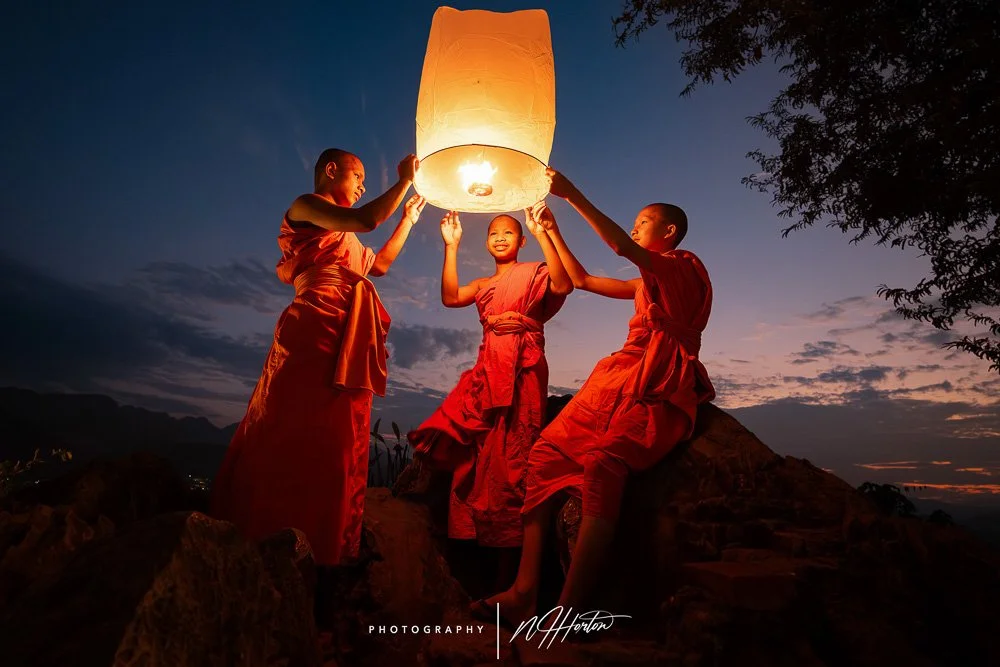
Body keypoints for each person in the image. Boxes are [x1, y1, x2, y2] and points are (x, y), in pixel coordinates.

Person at [475, 168, 715, 628]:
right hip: (620, 374)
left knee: (605, 463)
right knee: (544, 453)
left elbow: (623, 249)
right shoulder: (647, 283)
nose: (634, 226)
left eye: (644, 221)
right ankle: (524, 591)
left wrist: (571, 195)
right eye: (635, 221)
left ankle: (571, 608)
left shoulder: (683, 267)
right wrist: (551, 229)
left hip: (660, 379)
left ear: (668, 232)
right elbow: (581, 279)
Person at [210, 148, 425, 570]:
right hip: (313, 325)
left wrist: (408, 219)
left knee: (336, 433)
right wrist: (402, 181)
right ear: (331, 170)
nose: (363, 183)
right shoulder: (305, 206)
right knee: (291, 420)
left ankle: (325, 543)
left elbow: (377, 265)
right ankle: (266, 528)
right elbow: (366, 219)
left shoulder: (342, 234)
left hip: (348, 328)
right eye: (357, 174)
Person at [409, 208, 572, 589]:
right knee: (483, 458)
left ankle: (512, 576)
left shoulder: (535, 271)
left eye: (509, 232)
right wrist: (451, 245)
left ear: (521, 241)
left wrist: (545, 231)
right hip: (488, 369)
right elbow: (451, 297)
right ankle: (482, 566)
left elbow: (564, 285)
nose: (500, 237)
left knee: (516, 457)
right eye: (494, 233)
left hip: (525, 367)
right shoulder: (483, 284)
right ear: (486, 242)